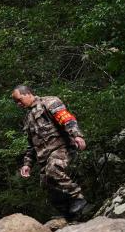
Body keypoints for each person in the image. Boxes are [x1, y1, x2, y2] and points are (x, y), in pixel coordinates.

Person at [11, 85, 88, 219]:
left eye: (19, 100)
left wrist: (77, 135)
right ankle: (69, 215)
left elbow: (66, 119)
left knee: (53, 170)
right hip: (44, 156)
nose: (18, 104)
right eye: (16, 102)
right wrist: (27, 164)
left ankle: (78, 197)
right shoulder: (27, 118)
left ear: (28, 93)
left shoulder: (49, 102)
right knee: (46, 184)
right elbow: (31, 145)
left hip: (61, 147)